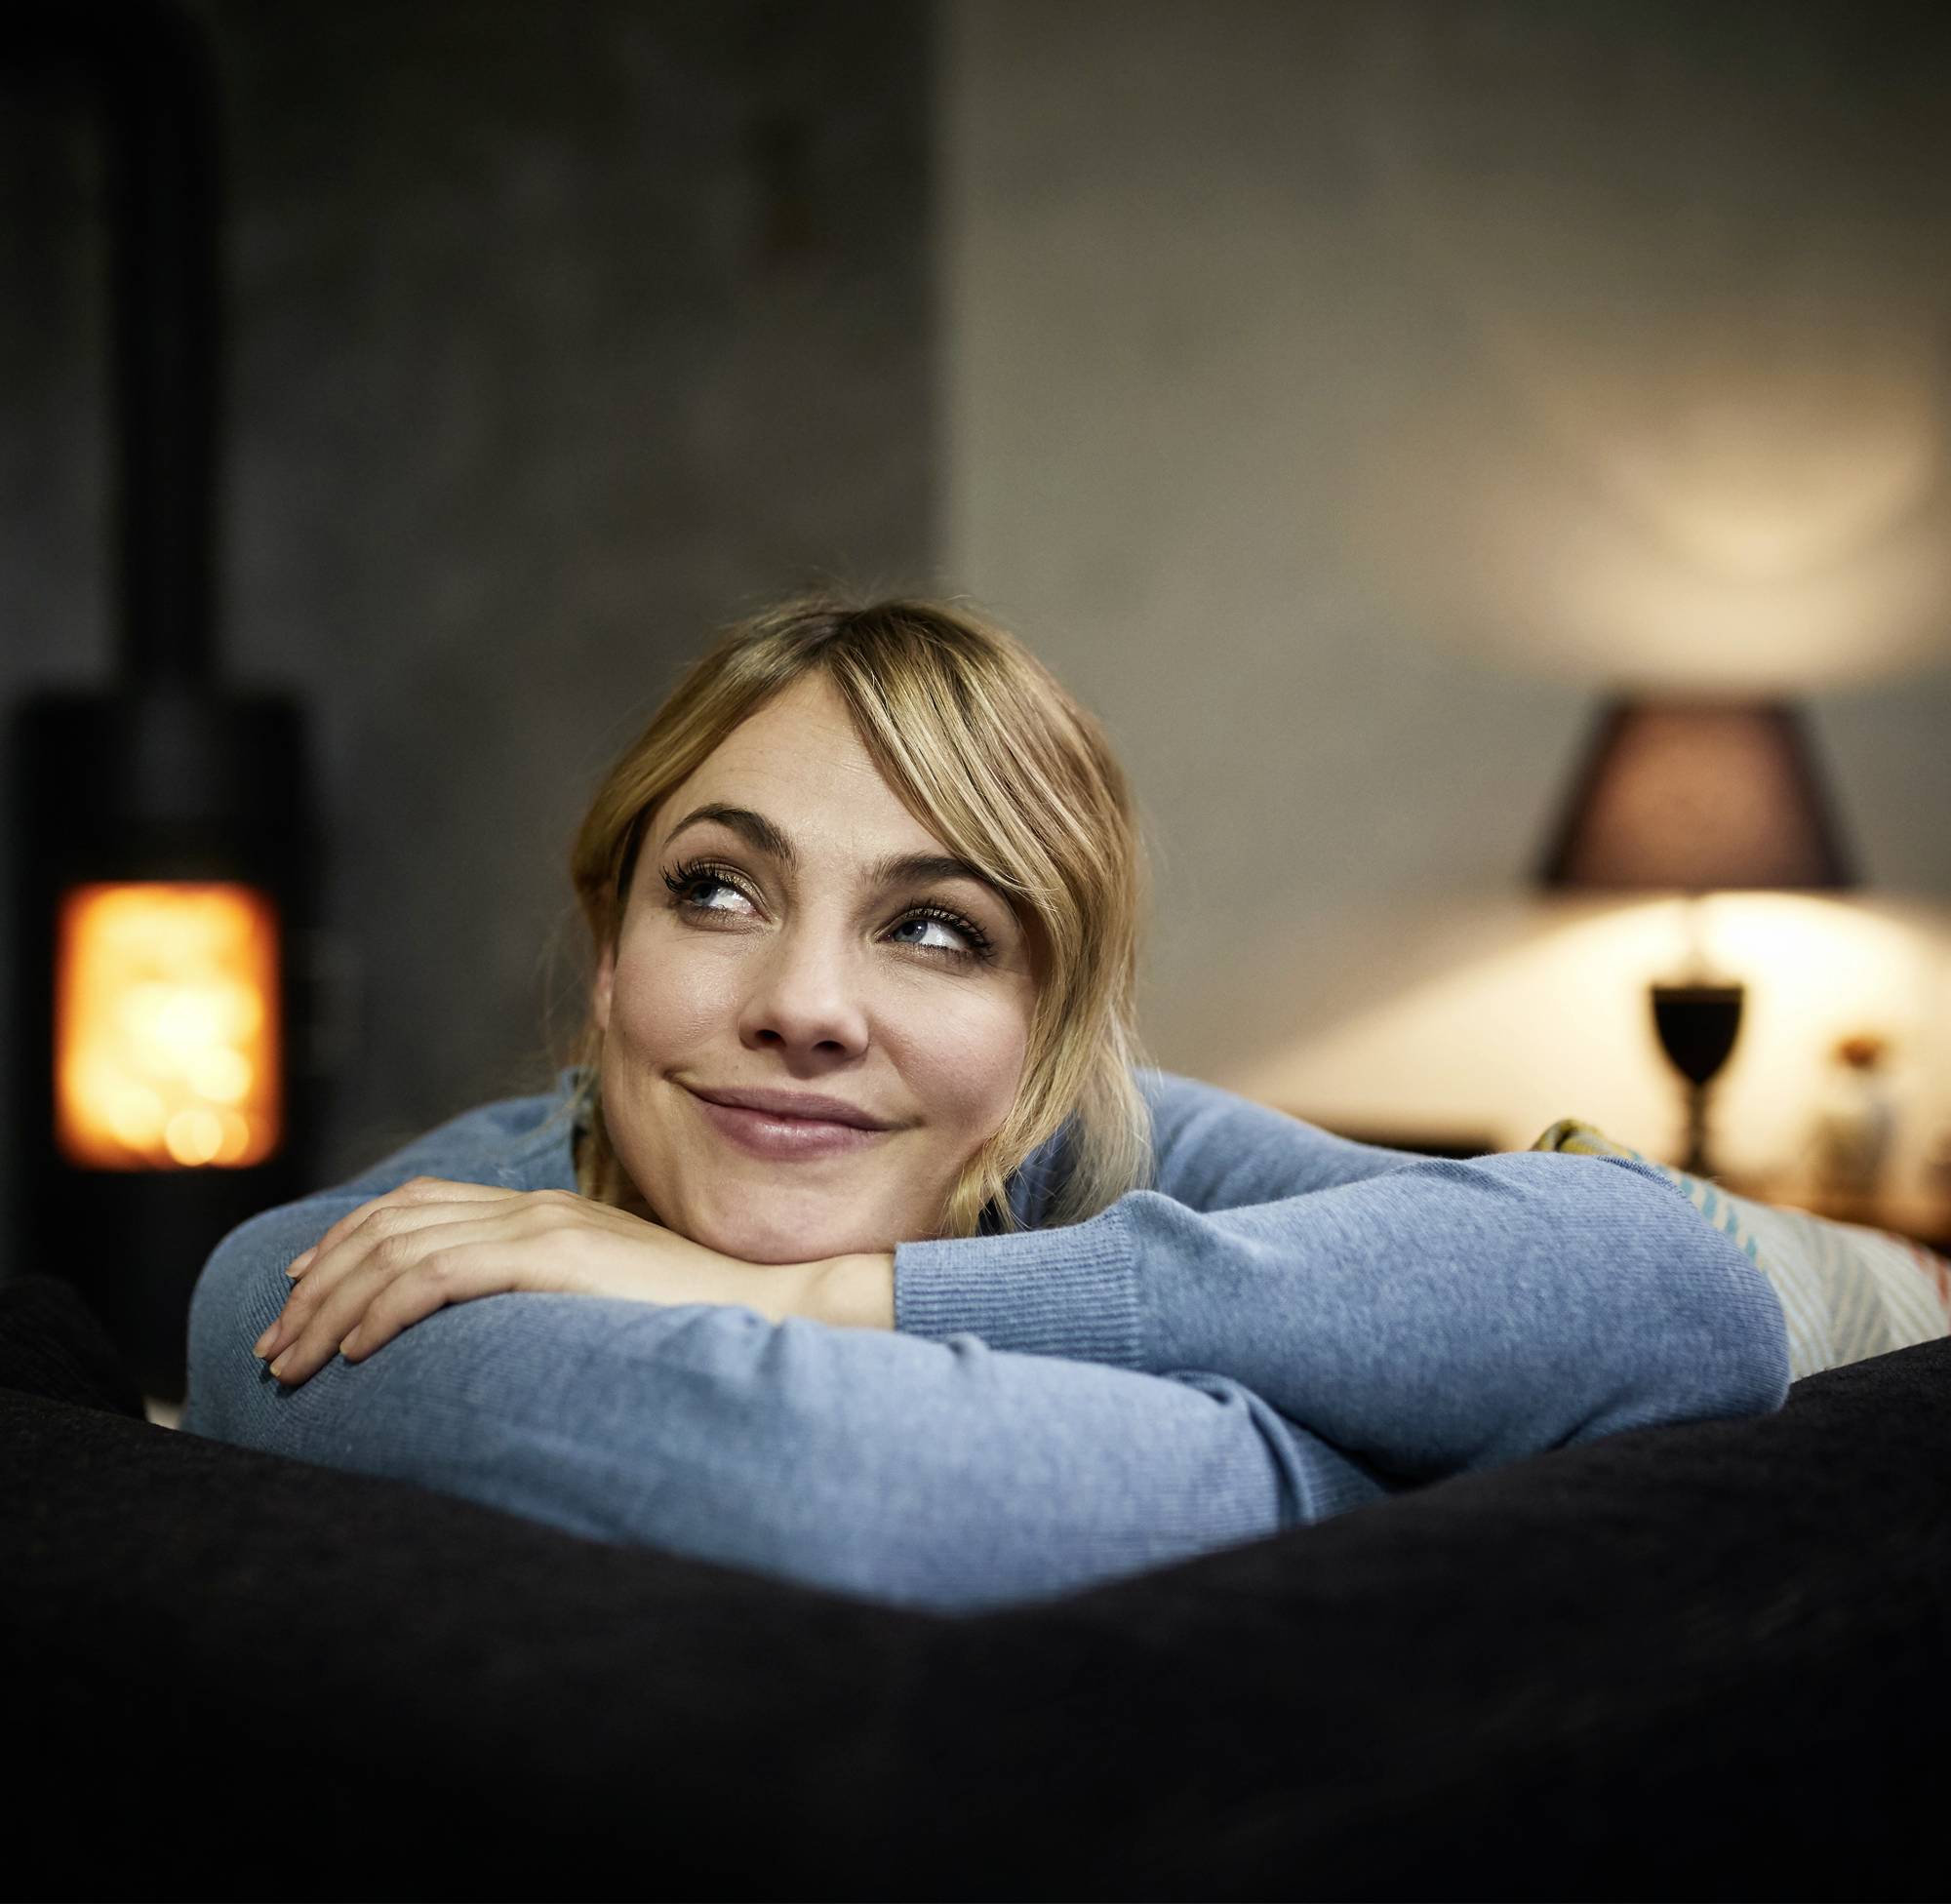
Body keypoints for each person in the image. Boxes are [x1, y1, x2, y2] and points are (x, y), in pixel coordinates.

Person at [181, 589, 1792, 1612]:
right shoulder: (334, 1282)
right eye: (720, 892)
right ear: (610, 957)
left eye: (936, 928)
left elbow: (1685, 1295)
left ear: (1050, 1035)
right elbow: (847, 1496)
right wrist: (1423, 1451)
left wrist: (836, 1292)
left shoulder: (1107, 1137)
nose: (804, 1006)